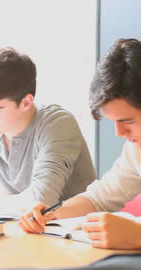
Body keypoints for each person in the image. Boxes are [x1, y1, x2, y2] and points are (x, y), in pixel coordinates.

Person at [18, 38, 141, 250]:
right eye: (114, 122)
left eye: (128, 121)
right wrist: (51, 214)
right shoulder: (136, 149)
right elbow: (101, 197)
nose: (119, 133)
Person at [0, 47, 96, 209]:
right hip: (24, 226)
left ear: (26, 102)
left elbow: (42, 199)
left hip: (74, 228)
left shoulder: (58, 124)